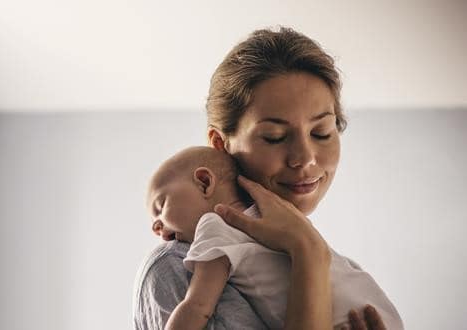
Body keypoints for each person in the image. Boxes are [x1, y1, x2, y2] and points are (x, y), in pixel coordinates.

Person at [133, 26, 396, 329]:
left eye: (321, 132)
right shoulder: (178, 267)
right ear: (221, 144)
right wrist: (308, 252)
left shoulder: (340, 274)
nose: (305, 158)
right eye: (274, 137)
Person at [144, 146, 403, 330]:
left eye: (160, 206)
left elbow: (198, 306)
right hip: (376, 311)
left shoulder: (215, 225)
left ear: (203, 182)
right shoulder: (285, 220)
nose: (156, 226)